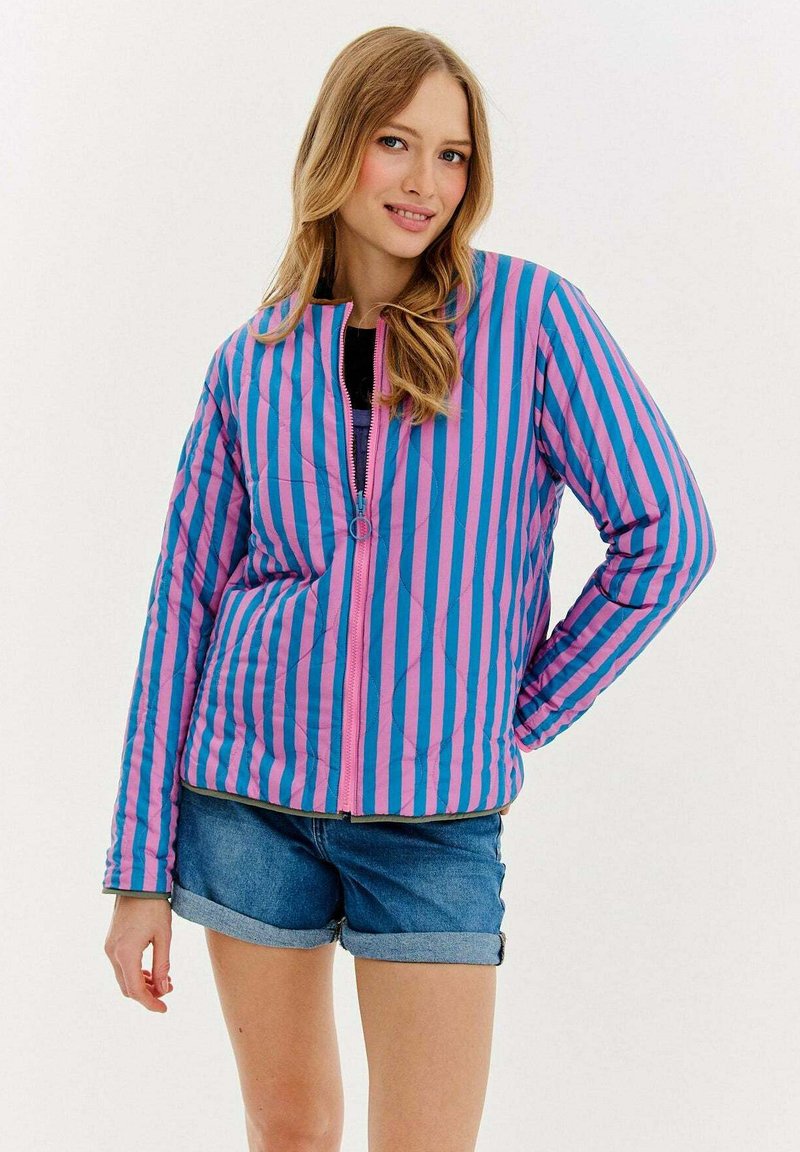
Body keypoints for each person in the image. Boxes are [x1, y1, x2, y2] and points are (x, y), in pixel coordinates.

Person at [102, 24, 716, 1152]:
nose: (425, 180)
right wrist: (140, 868)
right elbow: (181, 606)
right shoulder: (250, 360)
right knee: (288, 1132)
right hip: (244, 804)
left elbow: (666, 535)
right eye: (396, 141)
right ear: (337, 145)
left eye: (453, 155)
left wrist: (516, 713)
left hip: (435, 827)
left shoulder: (532, 320)